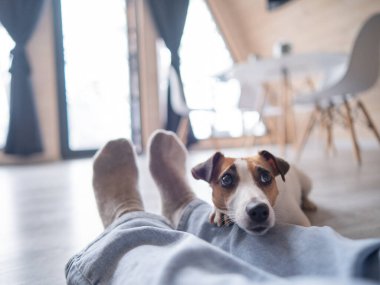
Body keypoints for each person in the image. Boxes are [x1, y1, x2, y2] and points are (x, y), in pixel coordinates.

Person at [65, 131, 380, 285]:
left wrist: (300, 198)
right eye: (229, 181)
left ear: (277, 175)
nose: (253, 198)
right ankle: (187, 209)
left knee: (297, 229)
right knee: (310, 248)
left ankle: (134, 218)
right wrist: (226, 211)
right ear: (212, 184)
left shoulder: (287, 181)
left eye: (264, 179)